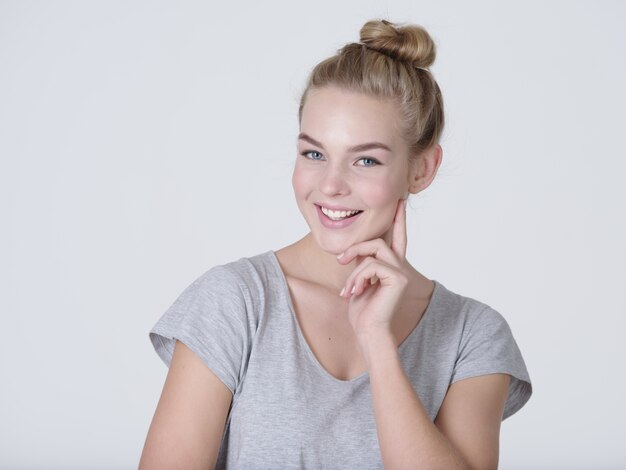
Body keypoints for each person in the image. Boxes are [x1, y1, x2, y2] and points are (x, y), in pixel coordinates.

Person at [139, 19, 532, 470]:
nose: (330, 185)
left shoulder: (472, 335)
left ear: (421, 170)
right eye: (314, 153)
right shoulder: (234, 302)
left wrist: (377, 342)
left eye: (365, 160)